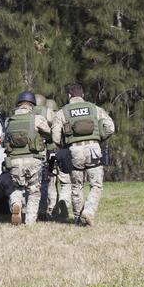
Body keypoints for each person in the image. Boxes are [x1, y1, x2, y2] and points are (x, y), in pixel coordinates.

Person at [51, 83, 116, 225]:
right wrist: (99, 138)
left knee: (76, 186)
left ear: (69, 96)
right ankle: (89, 212)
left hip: (74, 150)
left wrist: (64, 145)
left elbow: (55, 137)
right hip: (94, 149)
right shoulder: (94, 108)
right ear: (83, 95)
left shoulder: (62, 112)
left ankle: (78, 218)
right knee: (96, 185)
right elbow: (110, 128)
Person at [0, 91, 51, 225]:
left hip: (14, 161)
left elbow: (2, 140)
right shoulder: (37, 118)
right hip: (33, 160)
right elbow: (48, 133)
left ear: (19, 104)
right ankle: (30, 221)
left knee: (16, 188)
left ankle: (16, 204)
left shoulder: (8, 121)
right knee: (33, 191)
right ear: (32, 104)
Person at [35, 95, 72, 222]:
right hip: (58, 153)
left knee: (49, 181)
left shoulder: (34, 114)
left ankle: (47, 208)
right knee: (64, 182)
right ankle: (59, 205)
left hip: (47, 155)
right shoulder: (53, 115)